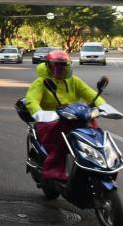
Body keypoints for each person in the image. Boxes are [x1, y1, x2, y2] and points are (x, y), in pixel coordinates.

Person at [25, 50, 110, 181]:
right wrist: (40, 113)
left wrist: (105, 107)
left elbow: (90, 94)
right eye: (55, 65)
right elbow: (32, 100)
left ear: (68, 65)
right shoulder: (41, 82)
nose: (59, 68)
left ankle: (102, 161)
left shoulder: (74, 81)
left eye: (63, 65)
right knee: (61, 140)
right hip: (50, 120)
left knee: (95, 132)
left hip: (75, 117)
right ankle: (54, 168)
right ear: (48, 66)